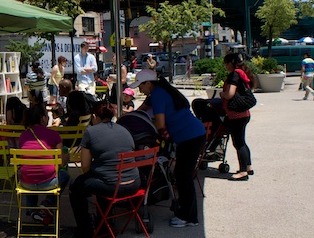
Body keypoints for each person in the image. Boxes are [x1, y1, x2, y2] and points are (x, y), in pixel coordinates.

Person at [132, 69, 205, 228]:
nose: (139, 89)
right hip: (194, 134)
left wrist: (161, 137)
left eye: (140, 86)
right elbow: (141, 109)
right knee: (181, 175)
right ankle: (187, 213)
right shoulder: (160, 91)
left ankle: (189, 217)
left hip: (189, 137)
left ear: (148, 83)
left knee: (183, 176)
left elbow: (160, 123)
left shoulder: (158, 95)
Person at [69, 102, 140, 238]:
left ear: (94, 116)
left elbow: (85, 166)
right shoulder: (124, 129)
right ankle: (104, 225)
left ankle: (85, 230)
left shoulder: (90, 132)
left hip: (112, 186)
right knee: (102, 179)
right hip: (134, 184)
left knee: (76, 185)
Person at [19, 105, 70, 225]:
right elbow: (61, 162)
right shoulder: (53, 135)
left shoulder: (23, 136)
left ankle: (32, 209)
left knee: (29, 171)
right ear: (42, 119)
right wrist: (66, 158)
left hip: (26, 184)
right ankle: (48, 202)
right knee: (65, 175)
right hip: (48, 183)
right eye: (47, 116)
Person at [219, 53, 256, 181]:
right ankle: (248, 166)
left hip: (236, 115)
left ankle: (243, 172)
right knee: (242, 141)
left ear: (231, 63)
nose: (225, 66)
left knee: (238, 143)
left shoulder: (235, 74)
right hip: (244, 114)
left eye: (226, 63)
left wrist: (222, 94)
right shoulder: (242, 72)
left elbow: (230, 94)